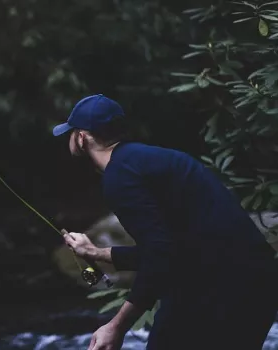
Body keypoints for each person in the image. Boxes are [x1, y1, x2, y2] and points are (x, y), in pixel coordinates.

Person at [53, 94, 278, 350]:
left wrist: (116, 327)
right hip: (256, 282)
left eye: (71, 133)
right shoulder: (149, 160)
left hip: (219, 290)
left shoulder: (120, 177)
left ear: (82, 138)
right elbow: (170, 248)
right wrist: (95, 253)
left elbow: (160, 256)